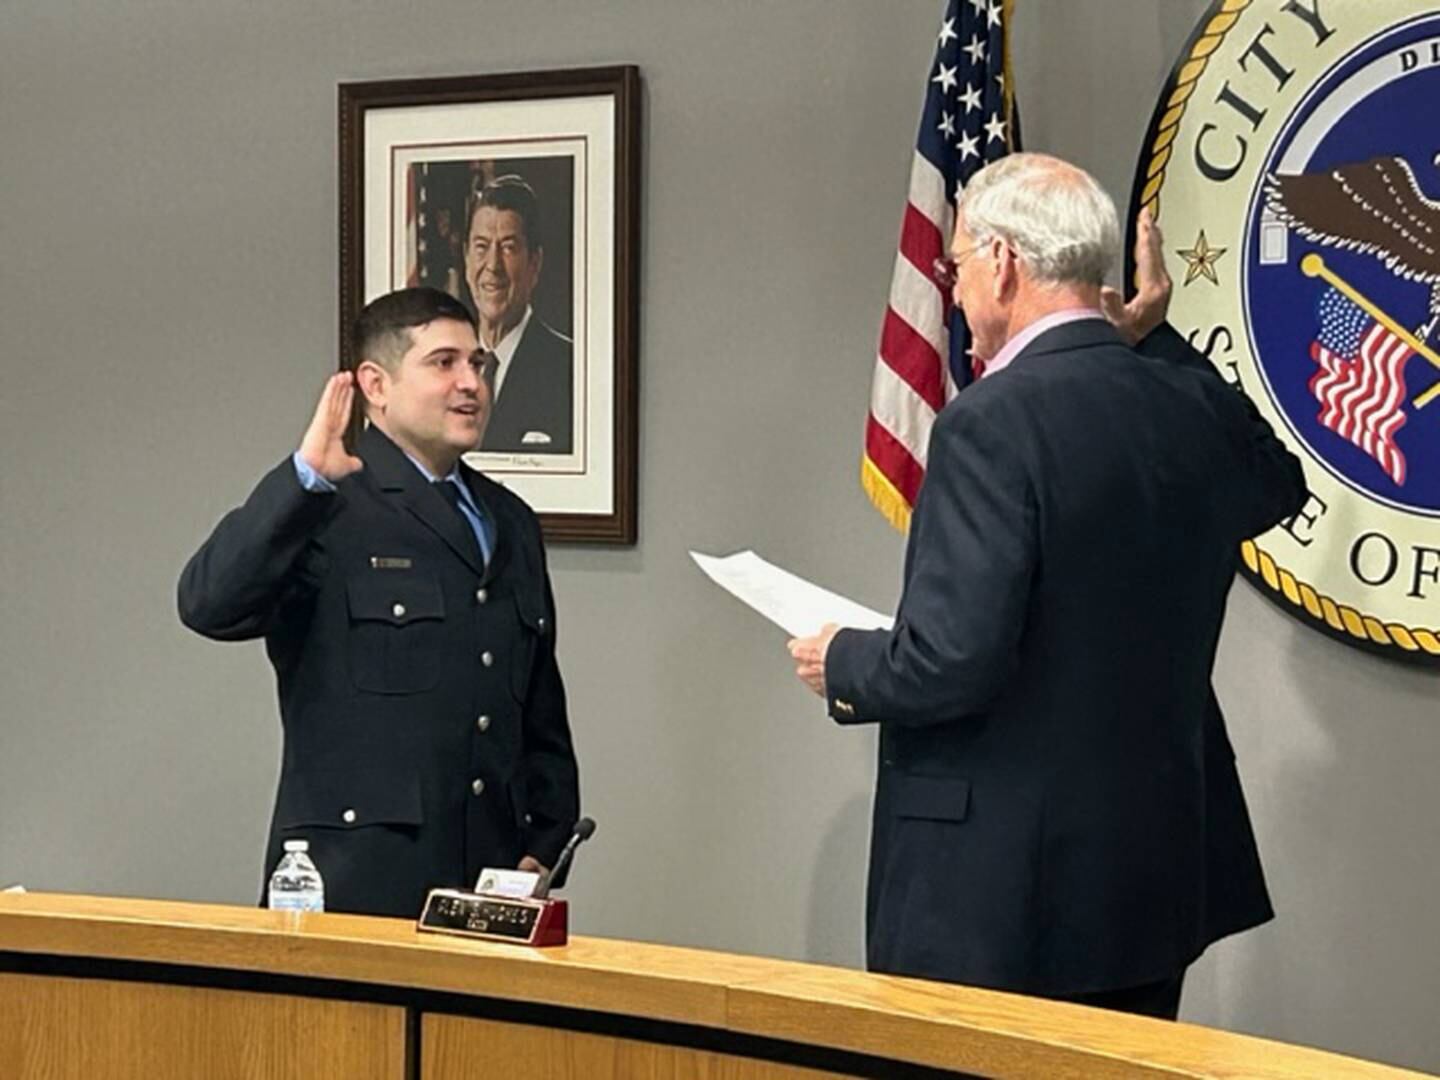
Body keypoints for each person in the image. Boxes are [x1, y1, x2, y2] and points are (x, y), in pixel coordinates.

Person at [788, 153, 1305, 1020]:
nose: (949, 290)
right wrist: (1155, 335)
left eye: (955, 265)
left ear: (1004, 262)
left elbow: (953, 661)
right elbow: (1277, 481)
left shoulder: (988, 423)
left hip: (999, 900)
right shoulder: (1187, 409)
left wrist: (844, 662)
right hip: (1148, 887)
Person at [179, 287, 580, 918]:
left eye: (478, 364)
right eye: (443, 363)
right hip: (355, 884)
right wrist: (303, 476)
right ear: (375, 384)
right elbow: (208, 603)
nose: (470, 382)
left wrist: (546, 837)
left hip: (487, 884)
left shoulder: (510, 522)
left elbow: (538, 706)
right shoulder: (328, 505)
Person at [463, 174, 574, 455]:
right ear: (466, 260)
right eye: (481, 247)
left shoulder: (570, 369)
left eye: (508, 248)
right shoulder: (439, 368)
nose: (492, 266)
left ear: (534, 264)